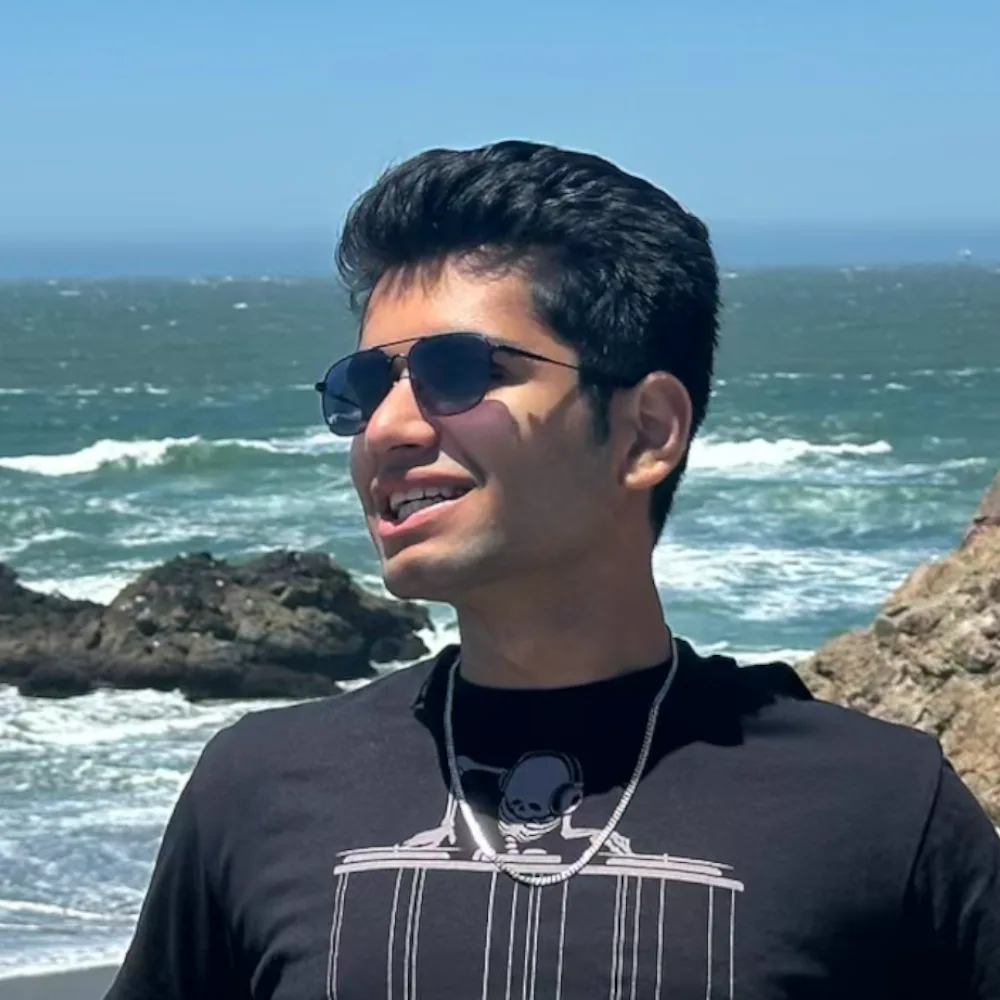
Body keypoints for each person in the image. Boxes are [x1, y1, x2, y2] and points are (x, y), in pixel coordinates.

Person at [106, 141, 1000, 1000]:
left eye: (457, 372)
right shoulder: (259, 788)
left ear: (647, 431)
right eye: (365, 388)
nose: (388, 428)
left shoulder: (881, 807)